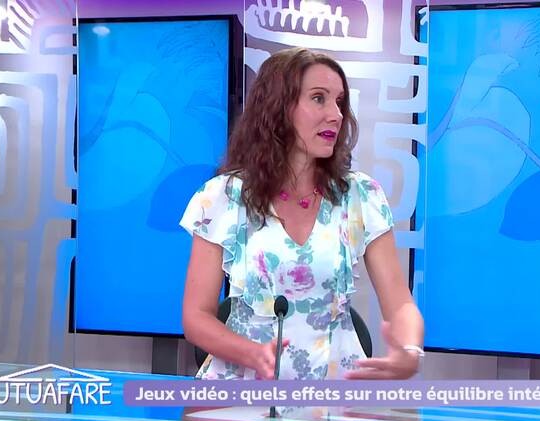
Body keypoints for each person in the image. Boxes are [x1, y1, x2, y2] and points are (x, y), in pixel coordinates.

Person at [180, 47, 423, 382]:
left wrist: (410, 350)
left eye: (339, 101)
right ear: (278, 107)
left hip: (334, 389)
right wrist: (253, 354)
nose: (336, 115)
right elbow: (196, 317)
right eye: (319, 98)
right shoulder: (222, 197)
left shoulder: (361, 196)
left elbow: (400, 304)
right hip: (244, 385)